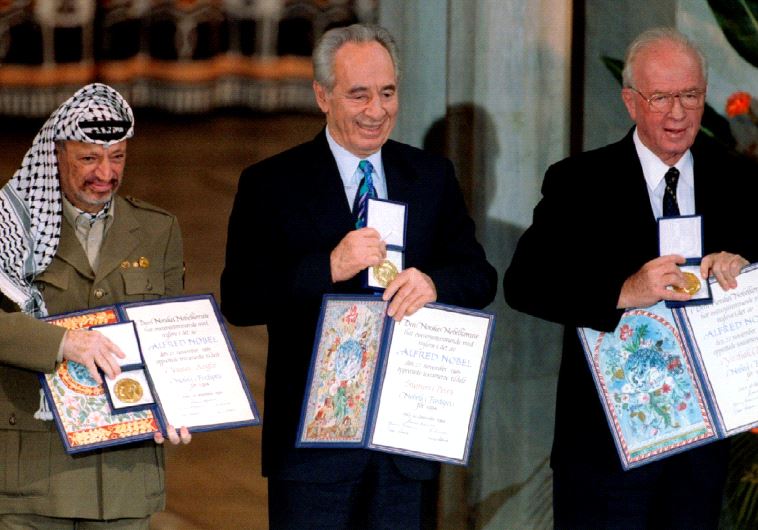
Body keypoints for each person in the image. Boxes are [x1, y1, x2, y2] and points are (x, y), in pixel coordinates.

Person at [221, 23, 497, 529]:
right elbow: (240, 298)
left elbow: (479, 276)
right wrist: (326, 267)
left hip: (405, 445)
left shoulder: (430, 176)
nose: (377, 111)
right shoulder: (271, 183)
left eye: (387, 93)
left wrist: (434, 284)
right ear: (322, 96)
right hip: (311, 451)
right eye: (359, 95)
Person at [504, 27, 758, 529]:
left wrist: (746, 270)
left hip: (700, 454)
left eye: (690, 96)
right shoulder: (578, 182)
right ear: (629, 101)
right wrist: (624, 291)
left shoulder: (740, 179)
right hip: (601, 455)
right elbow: (525, 283)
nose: (678, 113)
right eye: (660, 97)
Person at [0, 83, 191, 528]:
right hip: (34, 479)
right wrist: (61, 342)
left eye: (118, 157)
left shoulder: (158, 229)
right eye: (89, 158)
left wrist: (180, 402)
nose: (106, 172)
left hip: (123, 481)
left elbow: (170, 336)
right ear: (56, 154)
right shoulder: (11, 227)